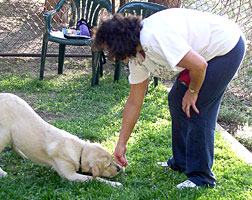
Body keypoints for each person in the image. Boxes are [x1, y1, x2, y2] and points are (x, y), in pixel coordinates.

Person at [93, 8, 246, 189]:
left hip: (226, 48)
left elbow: (199, 66)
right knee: (176, 99)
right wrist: (121, 145)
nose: (110, 55)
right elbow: (134, 101)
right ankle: (181, 163)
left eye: (108, 49)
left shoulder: (154, 39)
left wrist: (193, 91)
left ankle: (201, 178)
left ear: (118, 43)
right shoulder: (136, 55)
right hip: (202, 58)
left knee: (199, 108)